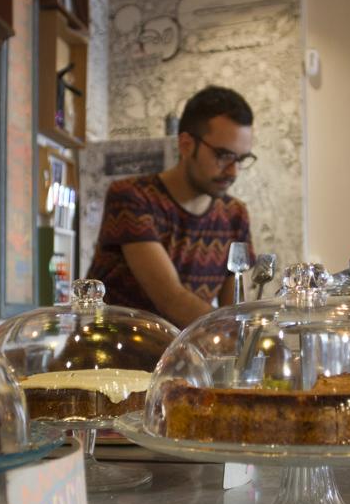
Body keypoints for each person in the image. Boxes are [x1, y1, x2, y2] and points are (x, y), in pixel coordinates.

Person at [87, 86, 256, 327]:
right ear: (186, 145)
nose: (233, 171)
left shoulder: (235, 215)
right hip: (112, 358)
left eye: (241, 159)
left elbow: (237, 309)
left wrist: (249, 337)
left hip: (180, 361)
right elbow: (170, 300)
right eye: (223, 156)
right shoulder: (132, 197)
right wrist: (238, 335)